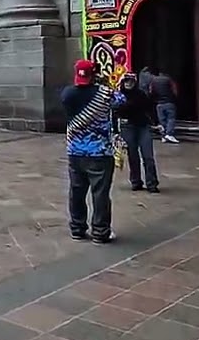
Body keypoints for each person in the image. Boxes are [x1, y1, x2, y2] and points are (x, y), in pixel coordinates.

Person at [60, 60, 124, 244]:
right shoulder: (104, 93)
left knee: (77, 192)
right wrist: (104, 83)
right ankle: (100, 231)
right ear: (93, 75)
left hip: (75, 151)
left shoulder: (67, 93)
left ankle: (78, 229)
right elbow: (121, 100)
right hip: (99, 153)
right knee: (100, 193)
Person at [117, 75, 160, 193]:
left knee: (148, 156)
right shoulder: (119, 95)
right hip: (127, 127)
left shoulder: (141, 94)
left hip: (143, 126)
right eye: (126, 81)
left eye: (130, 81)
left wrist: (156, 122)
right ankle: (136, 181)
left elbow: (149, 108)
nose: (128, 83)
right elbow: (115, 111)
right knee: (133, 156)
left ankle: (152, 183)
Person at [150, 68, 180, 144]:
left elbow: (151, 91)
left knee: (162, 120)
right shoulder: (169, 80)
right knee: (171, 119)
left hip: (159, 104)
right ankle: (169, 134)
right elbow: (175, 91)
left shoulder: (153, 81)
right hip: (169, 102)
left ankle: (163, 136)